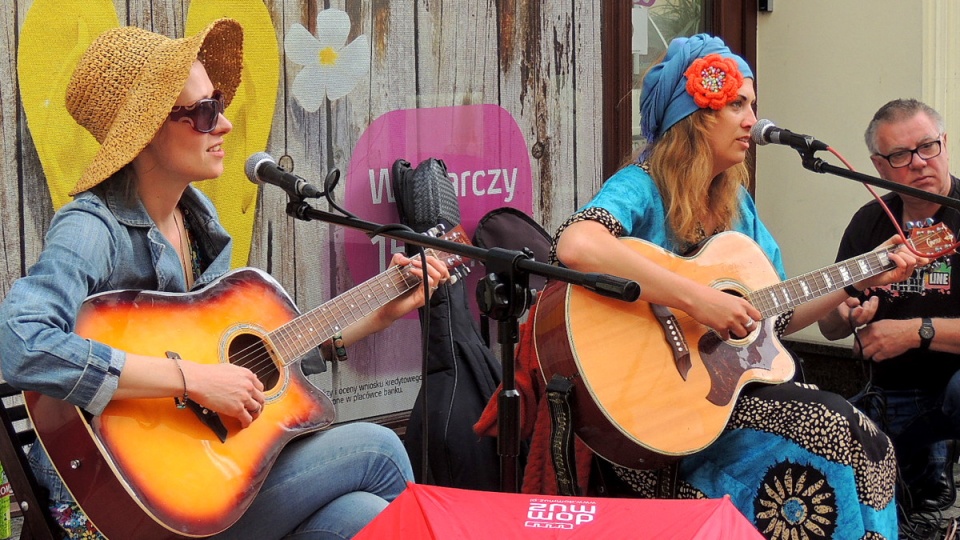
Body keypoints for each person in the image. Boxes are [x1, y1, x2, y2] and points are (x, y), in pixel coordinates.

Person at [0, 19, 449, 540]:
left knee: (364, 515)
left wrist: (379, 313)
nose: (226, 124)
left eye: (219, 103)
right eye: (205, 110)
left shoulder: (198, 223)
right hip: (125, 509)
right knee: (380, 450)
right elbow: (20, 342)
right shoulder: (92, 229)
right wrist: (192, 380)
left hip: (206, 480)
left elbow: (251, 359)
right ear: (147, 130)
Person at [548, 35, 921, 538]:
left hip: (722, 404)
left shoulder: (735, 202)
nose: (753, 120)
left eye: (754, 105)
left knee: (866, 442)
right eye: (737, 105)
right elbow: (575, 245)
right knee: (838, 429)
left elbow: (777, 313)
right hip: (650, 415)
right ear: (695, 118)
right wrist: (698, 298)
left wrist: (860, 275)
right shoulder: (642, 184)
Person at [818, 98, 960, 513]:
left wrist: (915, 331)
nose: (918, 163)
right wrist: (845, 312)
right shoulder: (869, 223)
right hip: (889, 392)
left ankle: (935, 453)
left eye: (928, 146)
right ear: (879, 167)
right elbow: (829, 325)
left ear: (945, 144)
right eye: (900, 155)